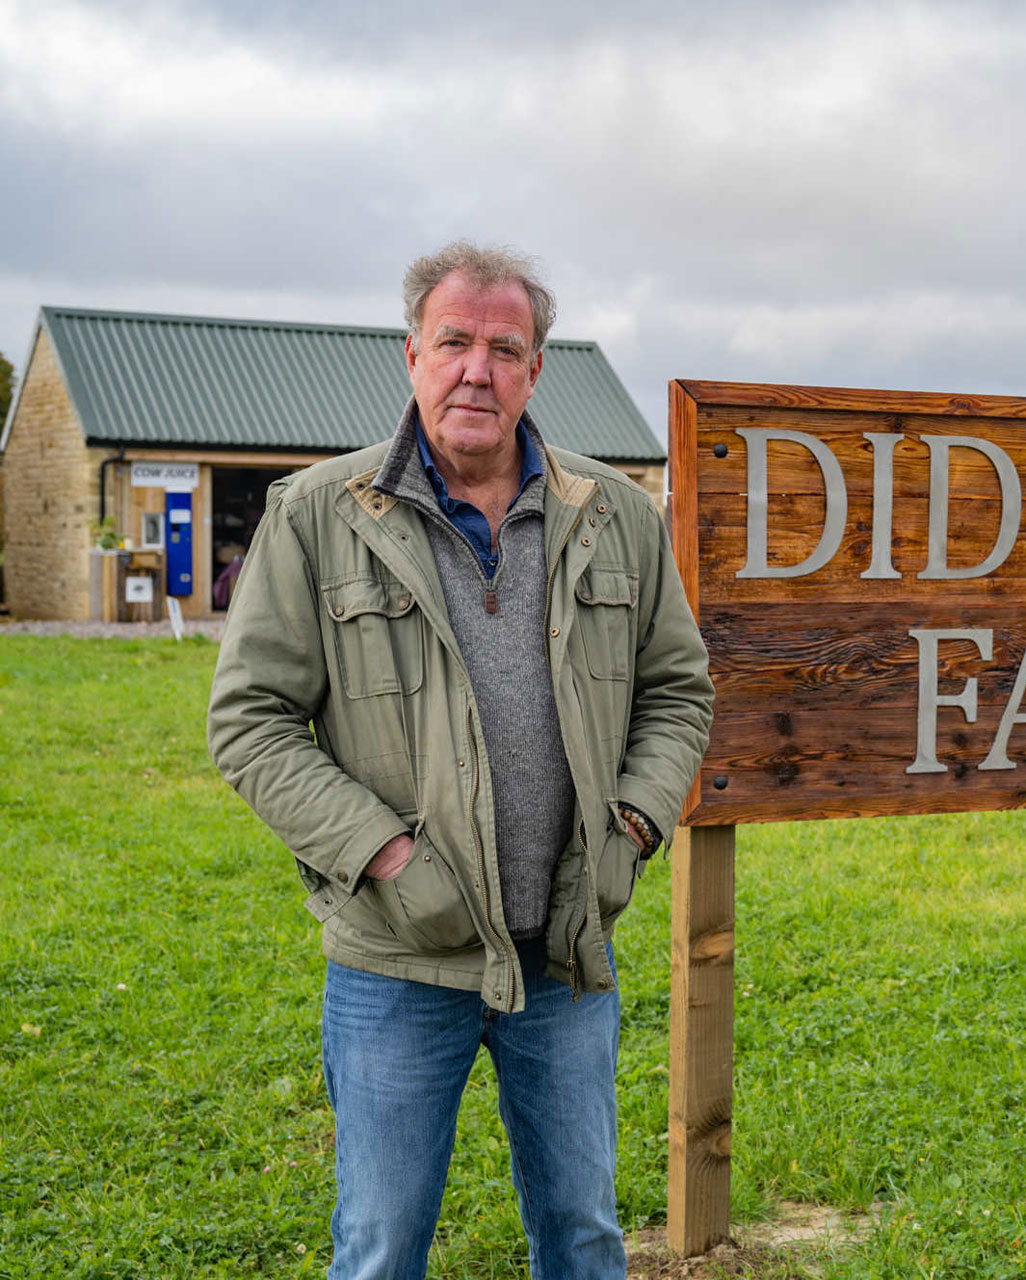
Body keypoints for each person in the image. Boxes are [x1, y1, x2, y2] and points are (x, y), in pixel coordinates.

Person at [208, 242, 713, 1279]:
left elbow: (679, 688)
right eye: (454, 341)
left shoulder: (614, 514)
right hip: (399, 961)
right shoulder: (316, 515)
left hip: (568, 957)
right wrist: (386, 855)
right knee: (382, 1244)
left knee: (584, 1235)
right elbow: (251, 718)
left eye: (504, 347)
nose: (477, 368)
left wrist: (632, 826)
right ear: (412, 356)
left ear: (535, 371)